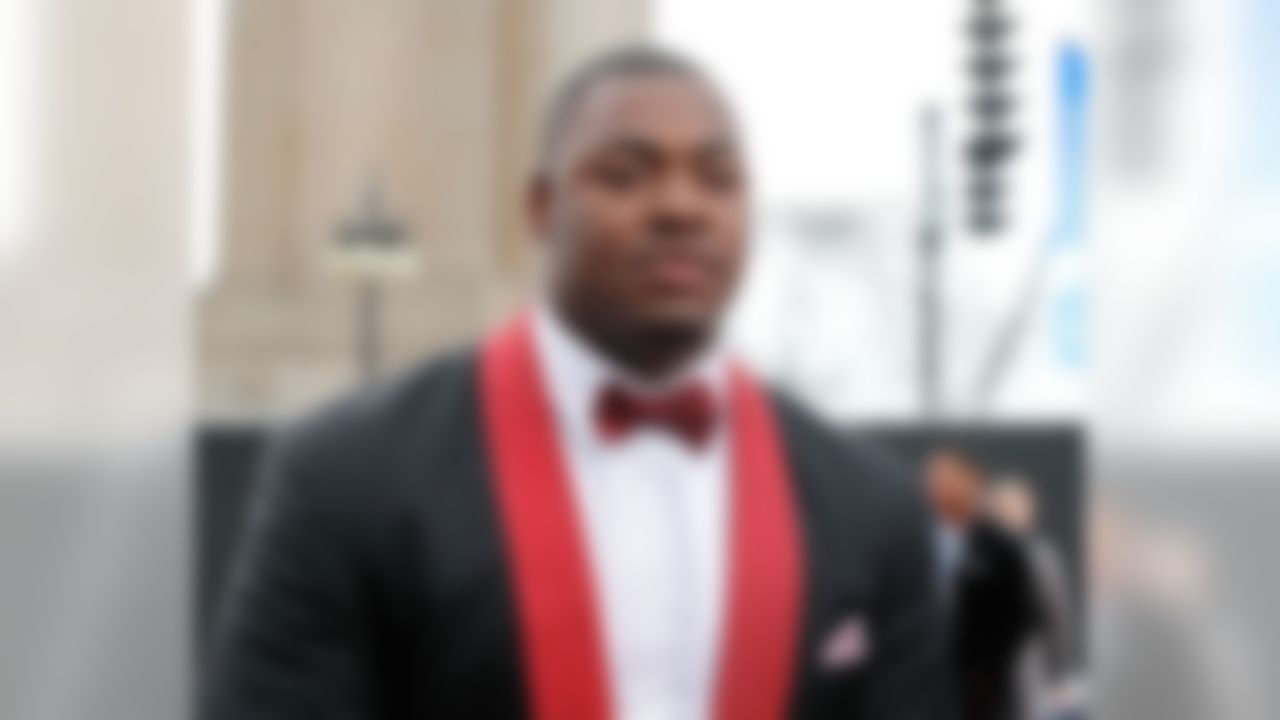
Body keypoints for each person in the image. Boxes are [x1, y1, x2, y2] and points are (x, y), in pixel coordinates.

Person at [201, 46, 948, 720]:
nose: (681, 206)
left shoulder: (870, 504)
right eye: (624, 174)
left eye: (719, 179)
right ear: (541, 207)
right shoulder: (346, 475)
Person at [925, 449, 1040, 720]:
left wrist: (988, 667)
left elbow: (1023, 615)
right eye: (935, 480)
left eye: (949, 479)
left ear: (972, 484)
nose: (939, 487)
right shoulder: (916, 543)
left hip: (982, 686)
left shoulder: (1000, 547)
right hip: (929, 683)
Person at [986, 477, 1078, 720]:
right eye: (1003, 509)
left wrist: (1058, 675)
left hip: (1026, 671)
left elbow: (1058, 620)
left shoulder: (1042, 559)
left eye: (1015, 509)